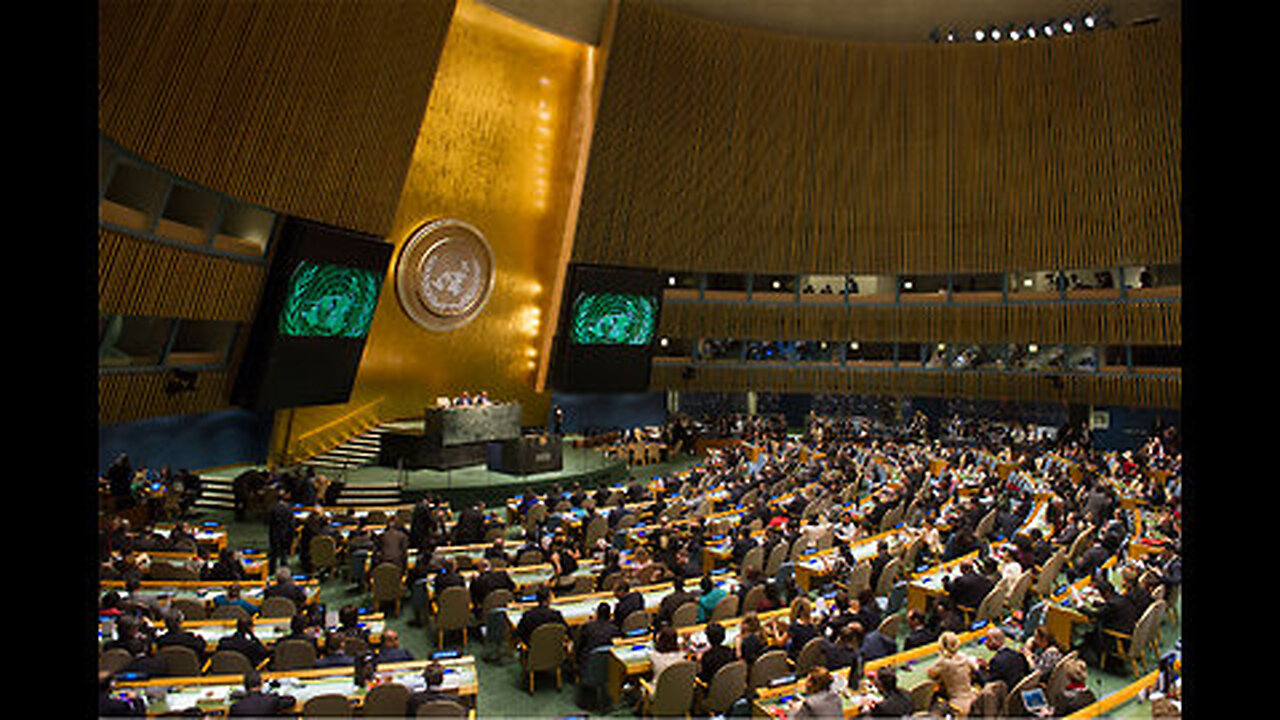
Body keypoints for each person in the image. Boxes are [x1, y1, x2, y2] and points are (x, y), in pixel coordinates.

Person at [927, 631, 981, 716]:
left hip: (957, 705)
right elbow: (976, 668)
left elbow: (930, 674)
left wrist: (941, 655)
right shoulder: (965, 658)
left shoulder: (942, 663)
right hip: (973, 699)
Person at [977, 627, 1029, 692]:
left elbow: (987, 684)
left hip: (1006, 696)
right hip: (1020, 691)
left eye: (987, 639)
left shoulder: (996, 661)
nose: (985, 642)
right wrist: (988, 667)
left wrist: (980, 670)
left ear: (994, 642)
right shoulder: (1018, 655)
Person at [228, 670, 296, 716]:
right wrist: (275, 696)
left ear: (245, 686)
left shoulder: (235, 707)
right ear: (261, 683)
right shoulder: (271, 701)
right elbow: (291, 700)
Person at [577, 603, 620, 673]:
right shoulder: (614, 629)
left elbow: (580, 645)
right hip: (610, 664)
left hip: (589, 660)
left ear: (597, 614)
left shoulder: (588, 627)